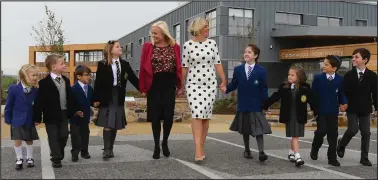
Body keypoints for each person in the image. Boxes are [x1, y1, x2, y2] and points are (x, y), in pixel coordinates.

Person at [181, 17, 227, 162]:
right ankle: (198, 149)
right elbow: (184, 66)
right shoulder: (187, 45)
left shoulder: (212, 44)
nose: (208, 28)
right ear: (199, 28)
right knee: (197, 113)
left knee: (205, 116)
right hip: (193, 84)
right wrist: (180, 84)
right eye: (206, 26)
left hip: (210, 85)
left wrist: (224, 80)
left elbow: (217, 63)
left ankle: (201, 144)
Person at [139, 21, 183, 159]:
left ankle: (165, 142)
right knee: (155, 117)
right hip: (154, 84)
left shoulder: (175, 46)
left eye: (155, 33)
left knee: (169, 117)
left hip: (169, 84)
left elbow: (179, 66)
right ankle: (156, 145)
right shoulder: (148, 47)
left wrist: (179, 85)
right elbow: (142, 67)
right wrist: (143, 87)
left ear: (163, 33)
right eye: (152, 33)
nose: (153, 35)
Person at [221, 44, 271, 162]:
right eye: (245, 52)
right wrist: (226, 89)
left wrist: (266, 104)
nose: (246, 54)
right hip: (243, 104)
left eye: (249, 52)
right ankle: (247, 150)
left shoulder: (261, 70)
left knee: (259, 129)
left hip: (256, 105)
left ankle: (261, 152)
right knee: (245, 129)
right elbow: (234, 84)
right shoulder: (238, 70)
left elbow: (264, 88)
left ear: (255, 55)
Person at [262, 65, 318, 167]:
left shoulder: (305, 88)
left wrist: (316, 111)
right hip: (289, 116)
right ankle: (298, 156)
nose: (289, 76)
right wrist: (265, 105)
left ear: (299, 77)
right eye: (289, 74)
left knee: (295, 135)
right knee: (295, 136)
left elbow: (313, 100)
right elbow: (275, 96)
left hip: (300, 116)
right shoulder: (284, 87)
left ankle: (291, 152)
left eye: (292, 75)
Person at [92, 40, 139, 160]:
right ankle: (106, 149)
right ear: (111, 50)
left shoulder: (125, 64)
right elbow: (98, 83)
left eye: (120, 46)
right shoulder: (102, 64)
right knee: (108, 122)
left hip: (118, 95)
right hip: (107, 96)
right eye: (118, 47)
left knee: (115, 123)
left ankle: (111, 148)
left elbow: (133, 78)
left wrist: (143, 88)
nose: (120, 48)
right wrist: (95, 98)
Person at [33, 54, 81, 168]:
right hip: (50, 115)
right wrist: (37, 118)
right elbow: (39, 102)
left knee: (64, 135)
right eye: (62, 63)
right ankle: (56, 158)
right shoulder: (43, 83)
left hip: (64, 113)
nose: (65, 65)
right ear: (54, 67)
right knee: (53, 136)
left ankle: (58, 152)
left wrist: (76, 110)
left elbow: (71, 98)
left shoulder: (66, 80)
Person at [337, 48, 377, 166]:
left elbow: (375, 93)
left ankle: (364, 158)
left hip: (365, 108)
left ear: (364, 60)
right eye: (353, 57)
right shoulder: (349, 75)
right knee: (353, 130)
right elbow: (343, 91)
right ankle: (341, 145)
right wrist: (343, 103)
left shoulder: (372, 76)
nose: (353, 59)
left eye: (356, 57)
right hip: (352, 108)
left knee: (366, 132)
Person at [310, 55, 347, 167]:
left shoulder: (340, 80)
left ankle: (332, 158)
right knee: (321, 131)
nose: (323, 66)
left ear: (334, 68)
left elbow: (342, 94)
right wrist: (314, 110)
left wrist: (344, 103)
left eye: (326, 64)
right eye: (323, 63)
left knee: (333, 135)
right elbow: (313, 96)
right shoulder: (318, 78)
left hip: (333, 111)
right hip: (321, 111)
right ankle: (315, 148)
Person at [4, 64, 40, 170]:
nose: (35, 78)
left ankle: (30, 158)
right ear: (24, 76)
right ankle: (19, 158)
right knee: (17, 139)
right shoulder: (13, 89)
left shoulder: (35, 90)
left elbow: (37, 107)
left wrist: (37, 119)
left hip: (30, 119)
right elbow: (9, 105)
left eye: (36, 75)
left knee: (29, 139)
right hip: (16, 119)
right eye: (33, 75)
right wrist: (7, 118)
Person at [70, 65, 94, 162]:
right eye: (86, 75)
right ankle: (75, 153)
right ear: (79, 77)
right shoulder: (73, 89)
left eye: (90, 75)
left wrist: (95, 103)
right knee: (75, 135)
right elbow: (70, 103)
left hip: (85, 117)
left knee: (85, 134)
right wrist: (75, 111)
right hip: (75, 118)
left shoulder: (90, 89)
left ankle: (85, 152)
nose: (89, 76)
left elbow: (91, 101)